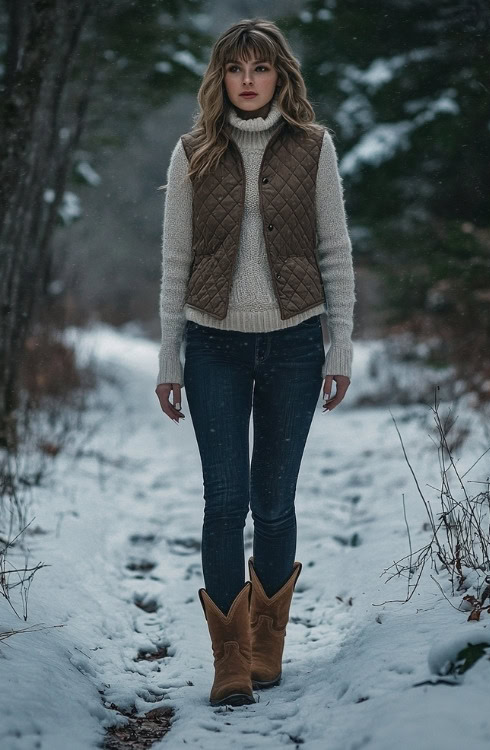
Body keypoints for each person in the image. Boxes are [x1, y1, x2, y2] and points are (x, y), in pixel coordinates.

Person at [155, 18, 356, 708]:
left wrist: (341, 345)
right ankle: (230, 660)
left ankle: (269, 647)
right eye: (236, 68)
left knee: (273, 507)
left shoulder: (313, 147)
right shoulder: (193, 152)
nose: (248, 80)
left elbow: (335, 251)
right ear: (221, 77)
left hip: (296, 345)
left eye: (260, 68)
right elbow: (175, 263)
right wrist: (169, 359)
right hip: (212, 344)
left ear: (279, 76)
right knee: (225, 502)